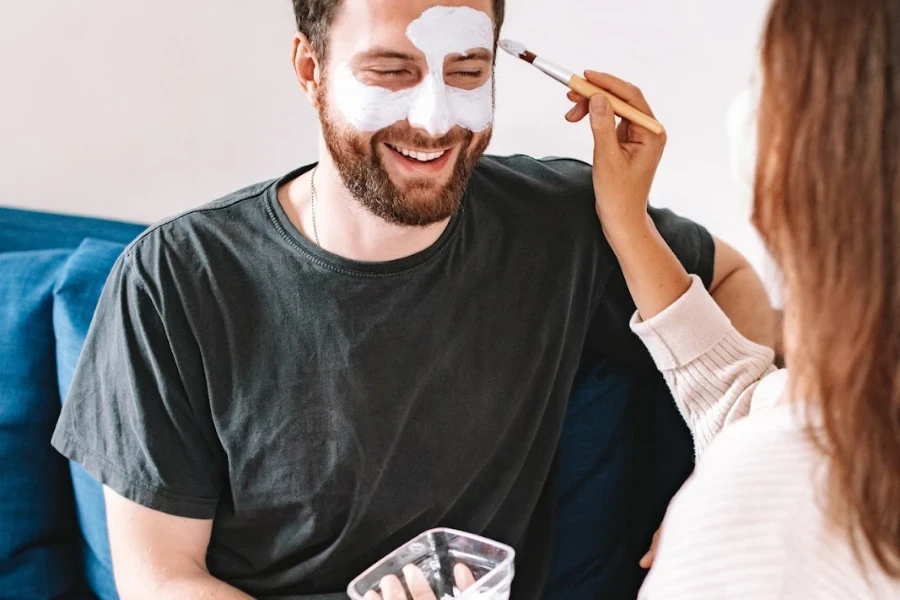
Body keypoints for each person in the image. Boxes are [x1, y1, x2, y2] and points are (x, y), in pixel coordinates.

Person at [50, 0, 775, 598]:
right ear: (311, 69)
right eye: (392, 72)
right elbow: (160, 579)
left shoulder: (559, 223)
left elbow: (735, 283)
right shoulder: (176, 279)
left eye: (467, 72)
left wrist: (721, 482)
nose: (433, 121)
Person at [558, 0, 900, 597]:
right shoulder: (857, 411)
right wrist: (629, 224)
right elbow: (752, 404)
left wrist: (727, 505)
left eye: (762, 81)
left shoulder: (765, 517)